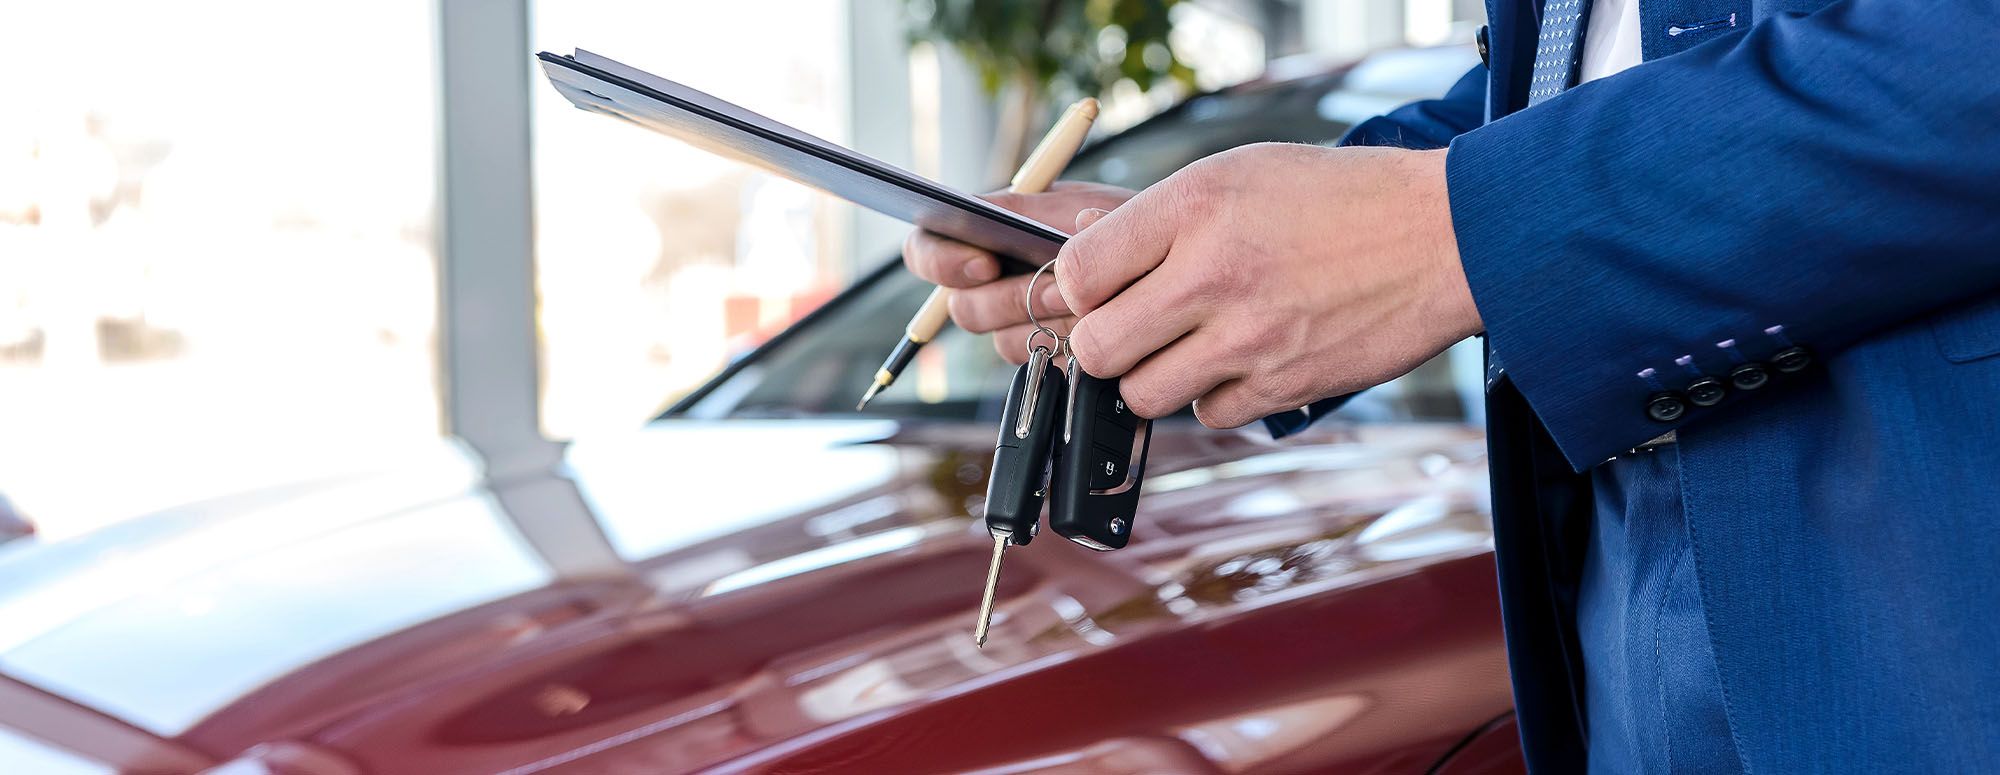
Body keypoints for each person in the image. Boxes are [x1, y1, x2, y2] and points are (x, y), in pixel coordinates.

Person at [903, 0, 2000, 771]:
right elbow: (1592, 69)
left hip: (1931, 607)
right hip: (1616, 627)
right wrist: (1197, 238)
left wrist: (1461, 230)